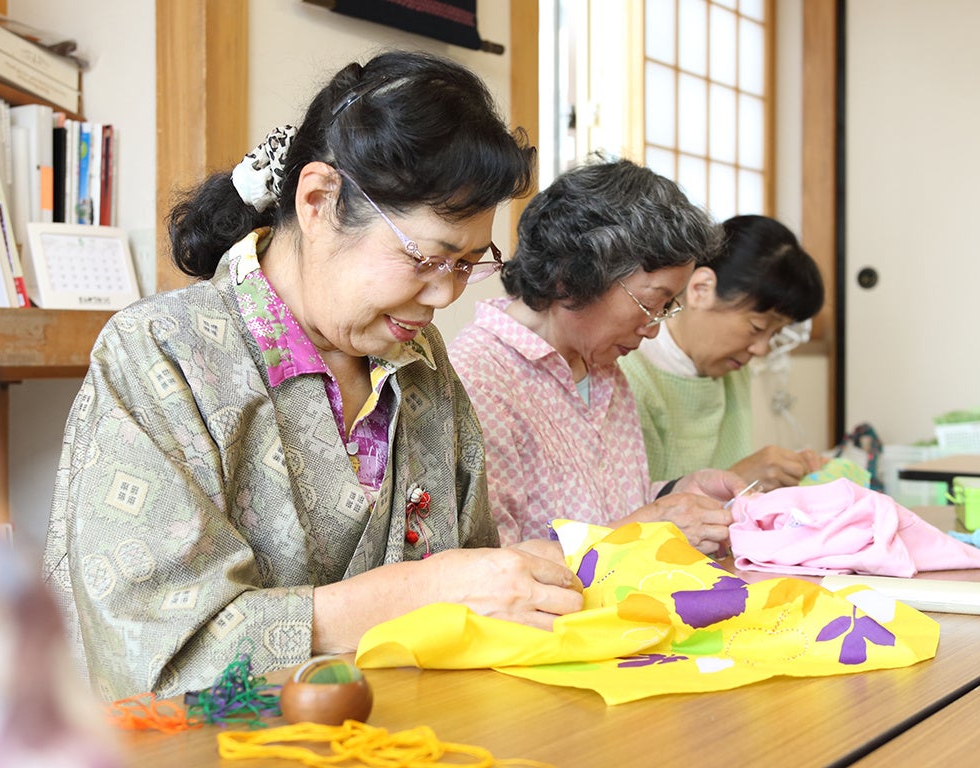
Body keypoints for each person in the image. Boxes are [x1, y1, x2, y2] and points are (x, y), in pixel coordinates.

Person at [42, 51, 584, 701]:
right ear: (319, 201)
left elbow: (469, 587)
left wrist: (510, 577)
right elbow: (148, 653)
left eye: (468, 264)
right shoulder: (159, 354)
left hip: (409, 731)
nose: (444, 296)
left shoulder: (422, 362)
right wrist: (415, 594)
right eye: (426, 258)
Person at [448, 158, 746, 552]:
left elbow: (609, 509)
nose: (653, 328)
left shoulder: (604, 371)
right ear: (573, 277)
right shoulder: (479, 379)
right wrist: (649, 531)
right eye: (650, 304)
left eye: (667, 308)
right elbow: (495, 562)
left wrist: (675, 493)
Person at [619, 214, 826, 491]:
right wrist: (741, 476)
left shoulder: (731, 367)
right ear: (701, 289)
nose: (760, 349)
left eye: (774, 334)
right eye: (757, 327)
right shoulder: (628, 373)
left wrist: (784, 473)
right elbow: (626, 509)